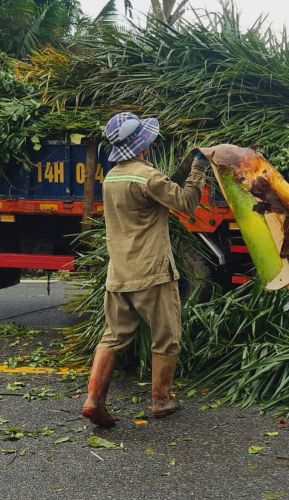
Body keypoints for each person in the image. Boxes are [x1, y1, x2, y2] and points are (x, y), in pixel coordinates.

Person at [82, 112, 208, 427]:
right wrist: (198, 168)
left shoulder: (112, 177)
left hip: (119, 275)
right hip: (152, 273)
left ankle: (93, 399)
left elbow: (161, 190)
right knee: (166, 338)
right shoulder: (147, 177)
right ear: (143, 144)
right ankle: (161, 400)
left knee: (112, 338)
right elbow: (186, 203)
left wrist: (182, 167)